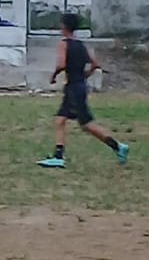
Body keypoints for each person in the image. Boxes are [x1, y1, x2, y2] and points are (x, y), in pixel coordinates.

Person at [38, 14, 127, 169]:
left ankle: (117, 146)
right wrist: (86, 74)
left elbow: (61, 64)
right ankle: (58, 155)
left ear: (64, 26)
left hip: (73, 87)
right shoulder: (80, 45)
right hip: (80, 86)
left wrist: (53, 76)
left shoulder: (63, 44)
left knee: (82, 124)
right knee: (64, 120)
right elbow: (94, 63)